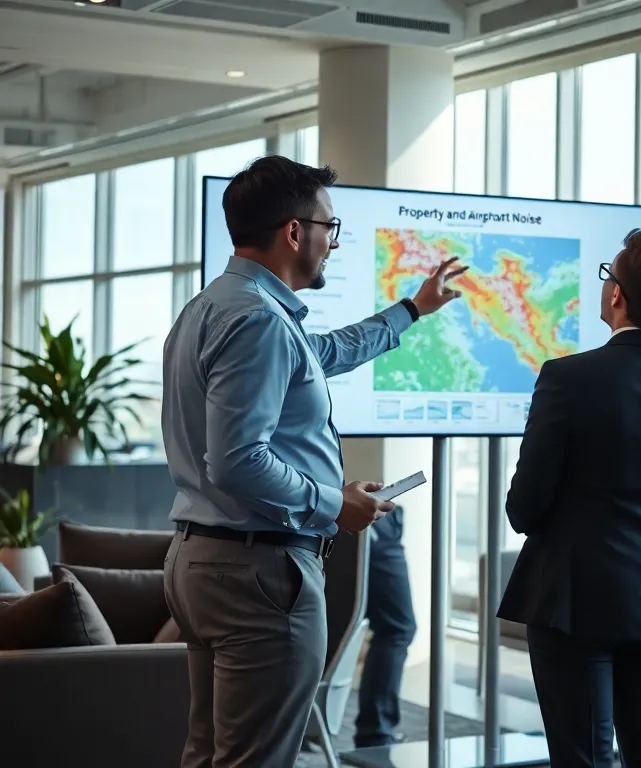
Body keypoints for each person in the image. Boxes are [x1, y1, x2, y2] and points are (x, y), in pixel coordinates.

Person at [161, 155, 465, 768]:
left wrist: (410, 309)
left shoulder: (215, 306)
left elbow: (323, 354)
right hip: (258, 574)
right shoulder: (257, 321)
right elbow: (239, 460)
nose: (333, 242)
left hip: (207, 560)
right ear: (294, 231)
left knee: (211, 753)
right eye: (331, 227)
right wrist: (334, 503)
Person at [498, 230, 641, 768]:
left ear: (616, 296)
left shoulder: (567, 378)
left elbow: (525, 506)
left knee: (583, 756)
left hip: (574, 593)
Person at [354, 505, 418, 748]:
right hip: (335, 507)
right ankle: (376, 733)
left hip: (315, 507)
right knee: (397, 627)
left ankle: (302, 725)